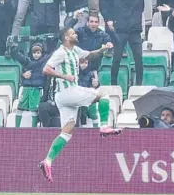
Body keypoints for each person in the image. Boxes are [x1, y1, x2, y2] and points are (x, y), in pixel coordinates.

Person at [38, 27, 122, 183]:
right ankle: (104, 126)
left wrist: (103, 49)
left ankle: (48, 161)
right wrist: (64, 76)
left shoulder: (75, 50)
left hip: (63, 97)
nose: (75, 34)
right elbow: (46, 69)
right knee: (103, 94)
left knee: (67, 131)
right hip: (68, 91)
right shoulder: (61, 52)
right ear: (65, 37)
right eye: (72, 33)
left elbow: (90, 54)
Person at [88, 0, 167, 86]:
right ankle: (113, 85)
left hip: (135, 32)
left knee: (138, 59)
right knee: (116, 59)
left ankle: (139, 84)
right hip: (120, 33)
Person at [10, 42, 50, 127]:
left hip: (36, 90)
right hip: (26, 89)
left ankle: (33, 128)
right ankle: (16, 128)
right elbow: (18, 57)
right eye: (34, 53)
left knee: (34, 111)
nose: (36, 55)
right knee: (19, 109)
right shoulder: (27, 62)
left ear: (41, 53)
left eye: (38, 52)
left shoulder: (45, 63)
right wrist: (23, 75)